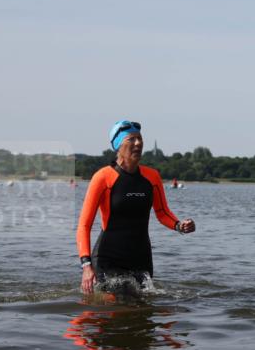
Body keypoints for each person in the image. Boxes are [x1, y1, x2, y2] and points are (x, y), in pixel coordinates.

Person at [77, 121, 196, 294]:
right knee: (112, 307)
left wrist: (179, 225)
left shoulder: (152, 177)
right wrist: (86, 266)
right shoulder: (103, 177)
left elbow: (162, 212)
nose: (138, 143)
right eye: (131, 139)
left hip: (140, 257)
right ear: (118, 145)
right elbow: (84, 225)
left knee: (142, 307)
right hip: (109, 257)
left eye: (140, 139)